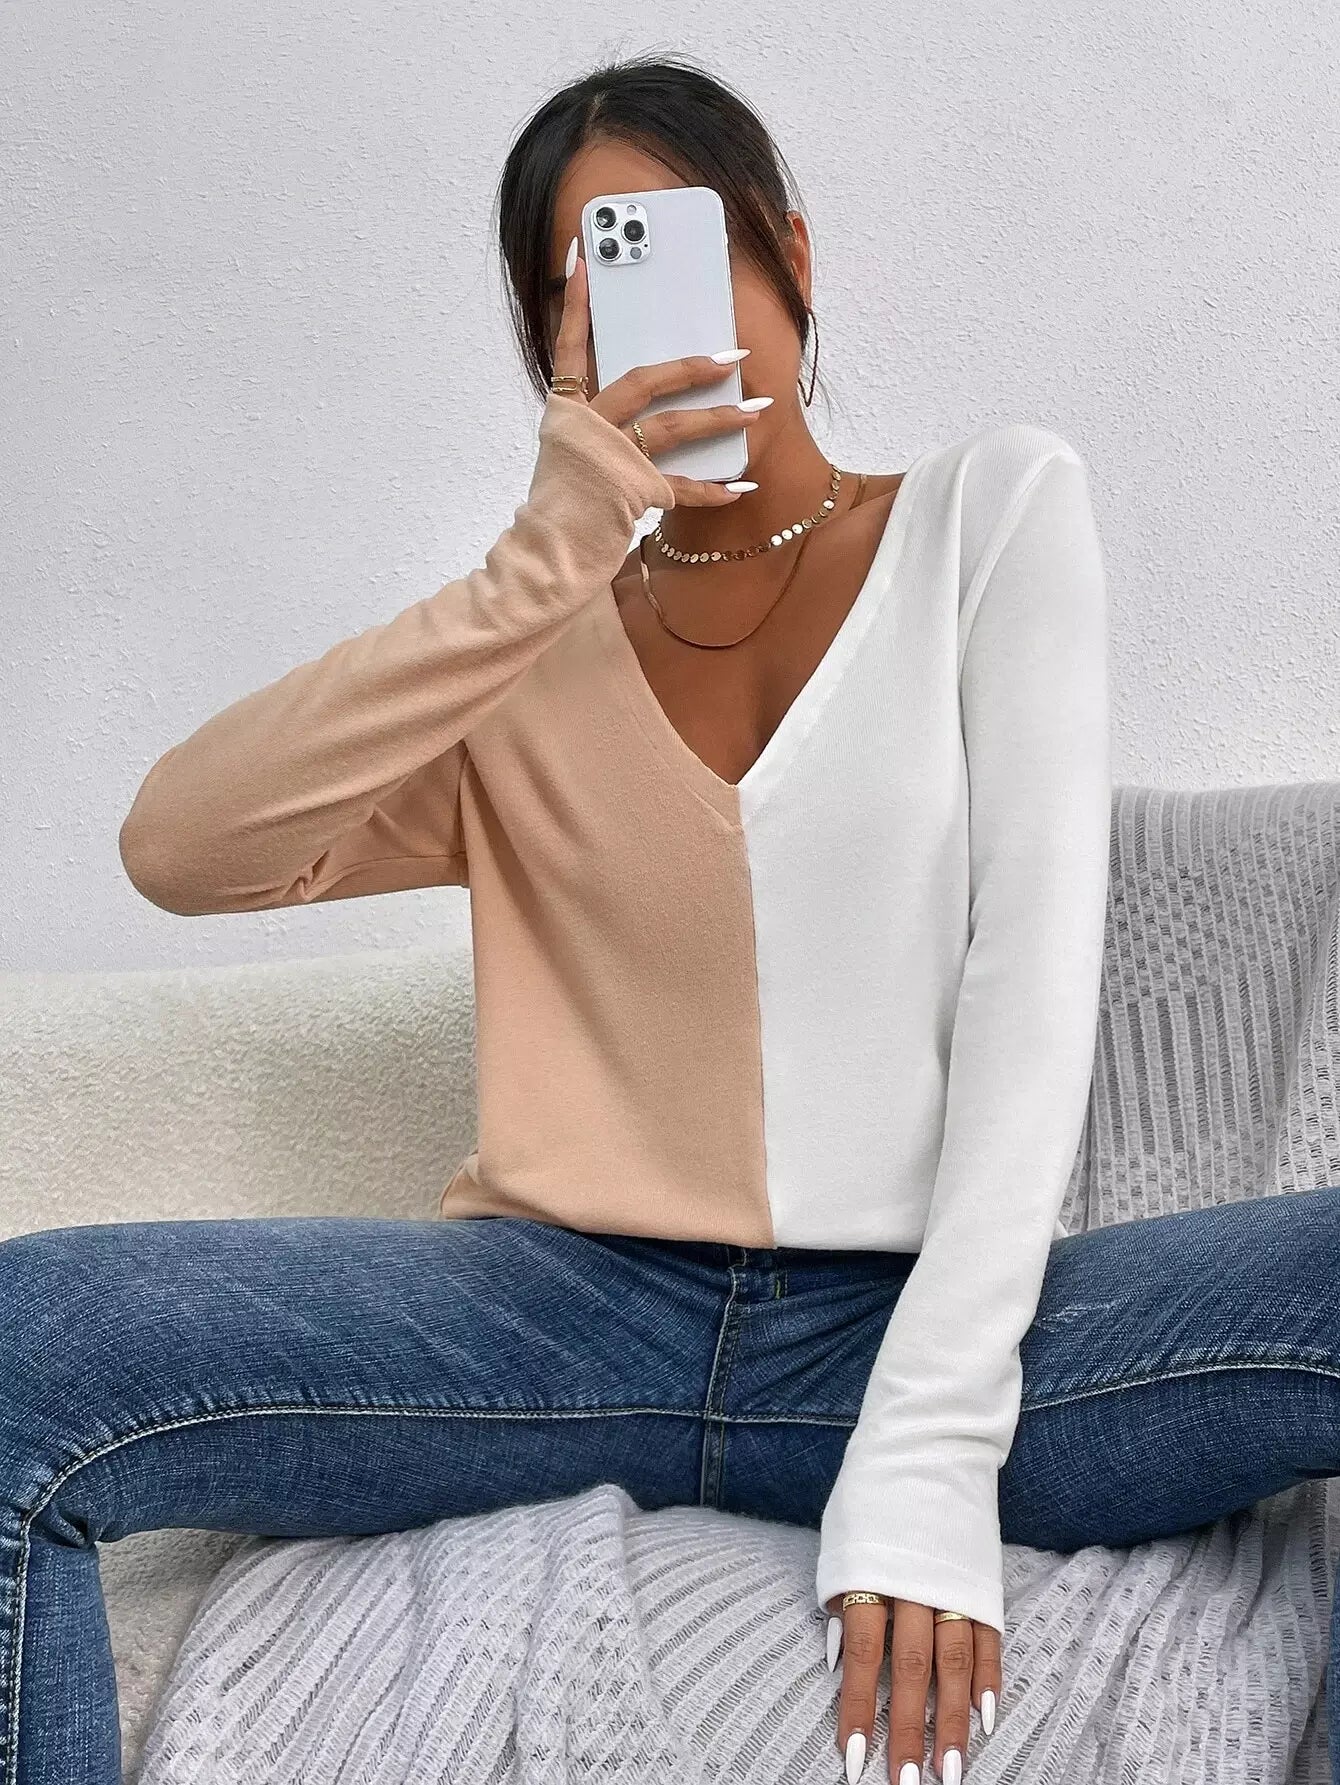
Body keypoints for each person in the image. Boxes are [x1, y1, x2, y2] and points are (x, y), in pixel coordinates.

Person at [7, 50, 1340, 1785]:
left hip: (915, 1321)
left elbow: (1033, 971)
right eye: (590, 288)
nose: (658, 319)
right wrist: (545, 553)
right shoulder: (518, 649)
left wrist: (932, 1444)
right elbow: (182, 847)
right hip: (554, 1323)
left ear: (793, 252)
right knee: (25, 1349)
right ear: (551, 352)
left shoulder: (992, 513)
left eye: (683, 249)